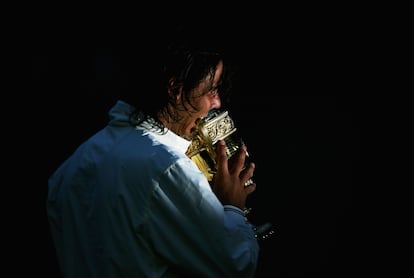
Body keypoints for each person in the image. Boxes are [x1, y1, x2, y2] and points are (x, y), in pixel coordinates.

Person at [47, 30, 260, 277]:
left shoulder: (72, 165)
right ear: (175, 89)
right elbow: (236, 264)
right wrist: (232, 207)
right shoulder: (166, 167)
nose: (217, 104)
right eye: (211, 90)